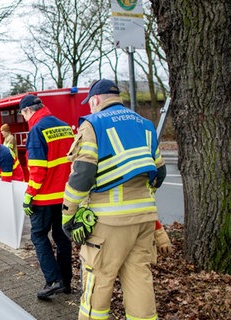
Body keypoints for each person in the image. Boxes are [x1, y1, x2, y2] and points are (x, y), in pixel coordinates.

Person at [61, 79, 167, 320]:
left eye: (91, 103)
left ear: (96, 99)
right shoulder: (145, 124)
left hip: (109, 223)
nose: (90, 107)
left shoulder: (93, 124)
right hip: (144, 220)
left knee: (98, 278)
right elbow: (159, 173)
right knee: (139, 277)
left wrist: (68, 214)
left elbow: (82, 176)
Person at [19, 94, 74, 300]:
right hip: (66, 196)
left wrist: (29, 195)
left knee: (39, 236)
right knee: (62, 238)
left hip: (44, 197)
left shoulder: (36, 130)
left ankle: (53, 281)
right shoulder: (64, 127)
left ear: (28, 111)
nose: (25, 119)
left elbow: (37, 169)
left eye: (23, 115)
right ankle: (66, 282)